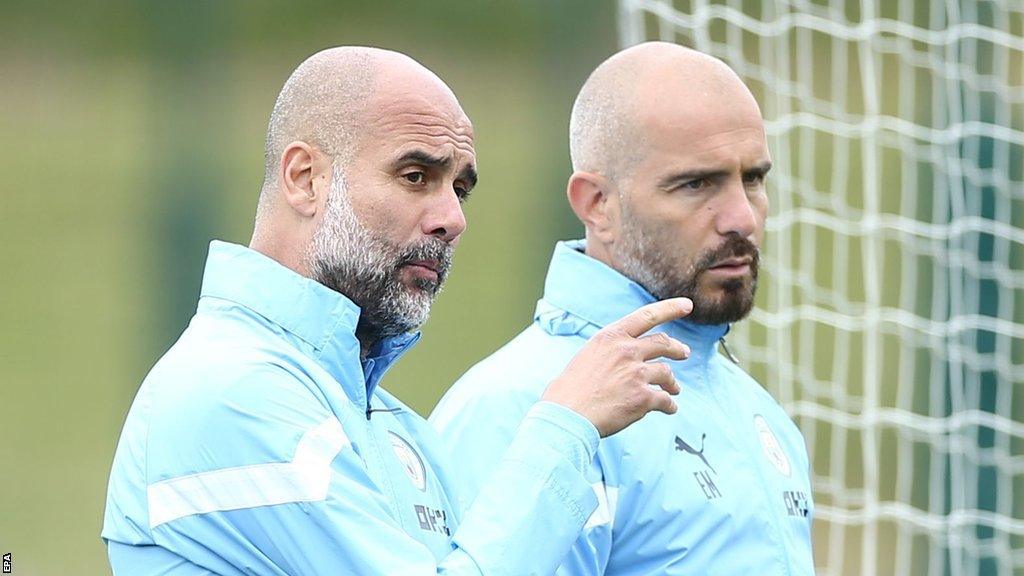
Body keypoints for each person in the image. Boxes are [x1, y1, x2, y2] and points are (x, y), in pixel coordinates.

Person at [101, 46, 696, 575]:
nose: (453, 218)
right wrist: (567, 425)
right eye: (416, 176)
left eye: (459, 189)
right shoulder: (232, 390)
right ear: (305, 178)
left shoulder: (395, 426)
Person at [431, 42, 815, 575]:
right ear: (596, 205)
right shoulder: (518, 409)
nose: (741, 218)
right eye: (696, 183)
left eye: (752, 178)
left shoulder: (759, 414)